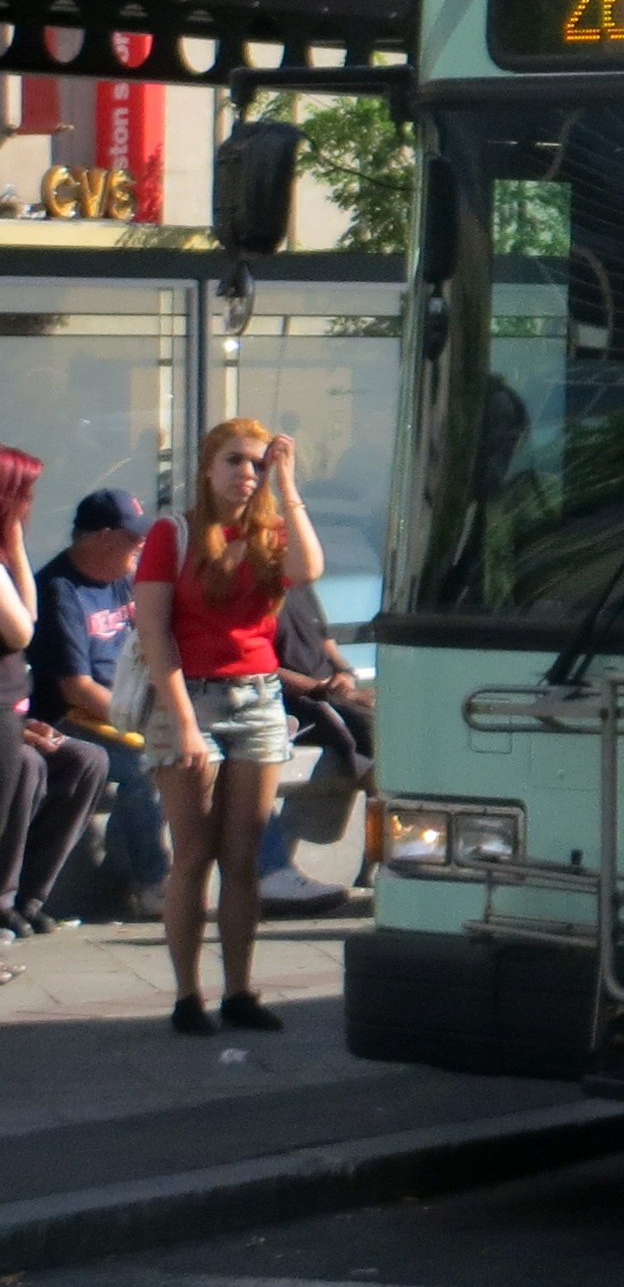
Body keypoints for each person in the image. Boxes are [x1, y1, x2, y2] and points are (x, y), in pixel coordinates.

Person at [134, 420, 327, 1034]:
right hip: (187, 698)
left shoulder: (268, 531)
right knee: (193, 854)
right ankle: (187, 996)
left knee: (243, 857)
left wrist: (287, 482)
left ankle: (239, 991)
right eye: (235, 461)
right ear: (208, 468)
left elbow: (309, 568)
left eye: (256, 464)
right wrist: (186, 724)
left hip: (260, 700)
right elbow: (153, 632)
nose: (247, 473)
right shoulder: (175, 532)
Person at [29, 489, 156, 919]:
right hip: (69, 718)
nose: (141, 546)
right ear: (103, 538)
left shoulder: (123, 577)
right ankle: (155, 883)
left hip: (123, 707)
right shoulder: (59, 589)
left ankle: (123, 870)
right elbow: (77, 689)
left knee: (201, 750)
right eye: (133, 538)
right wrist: (148, 720)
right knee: (146, 765)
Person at [0, 448, 105, 939]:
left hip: (14, 716)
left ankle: (30, 897)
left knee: (86, 761)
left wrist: (14, 540)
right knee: (28, 767)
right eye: (27, 495)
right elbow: (23, 630)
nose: (35, 505)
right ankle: (2, 902)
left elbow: (28, 614)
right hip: (5, 721)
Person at [269, 582, 377, 895]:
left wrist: (345, 672)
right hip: (296, 700)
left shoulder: (300, 586)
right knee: (365, 739)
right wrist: (320, 688)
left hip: (331, 691)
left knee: (388, 724)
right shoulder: (258, 588)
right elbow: (262, 666)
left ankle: (372, 862)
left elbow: (325, 639)